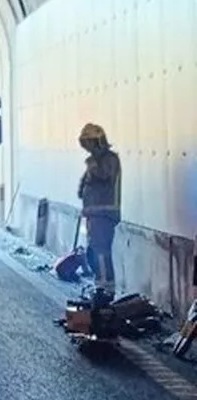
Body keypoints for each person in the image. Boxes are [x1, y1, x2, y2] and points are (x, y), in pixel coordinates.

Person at [76, 123, 121, 296]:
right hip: (95, 213)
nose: (87, 147)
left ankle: (105, 288)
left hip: (105, 213)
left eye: (90, 143)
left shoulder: (109, 159)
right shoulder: (95, 161)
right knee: (94, 250)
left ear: (98, 142)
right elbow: (85, 186)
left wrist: (92, 165)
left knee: (101, 251)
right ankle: (100, 284)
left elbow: (103, 177)